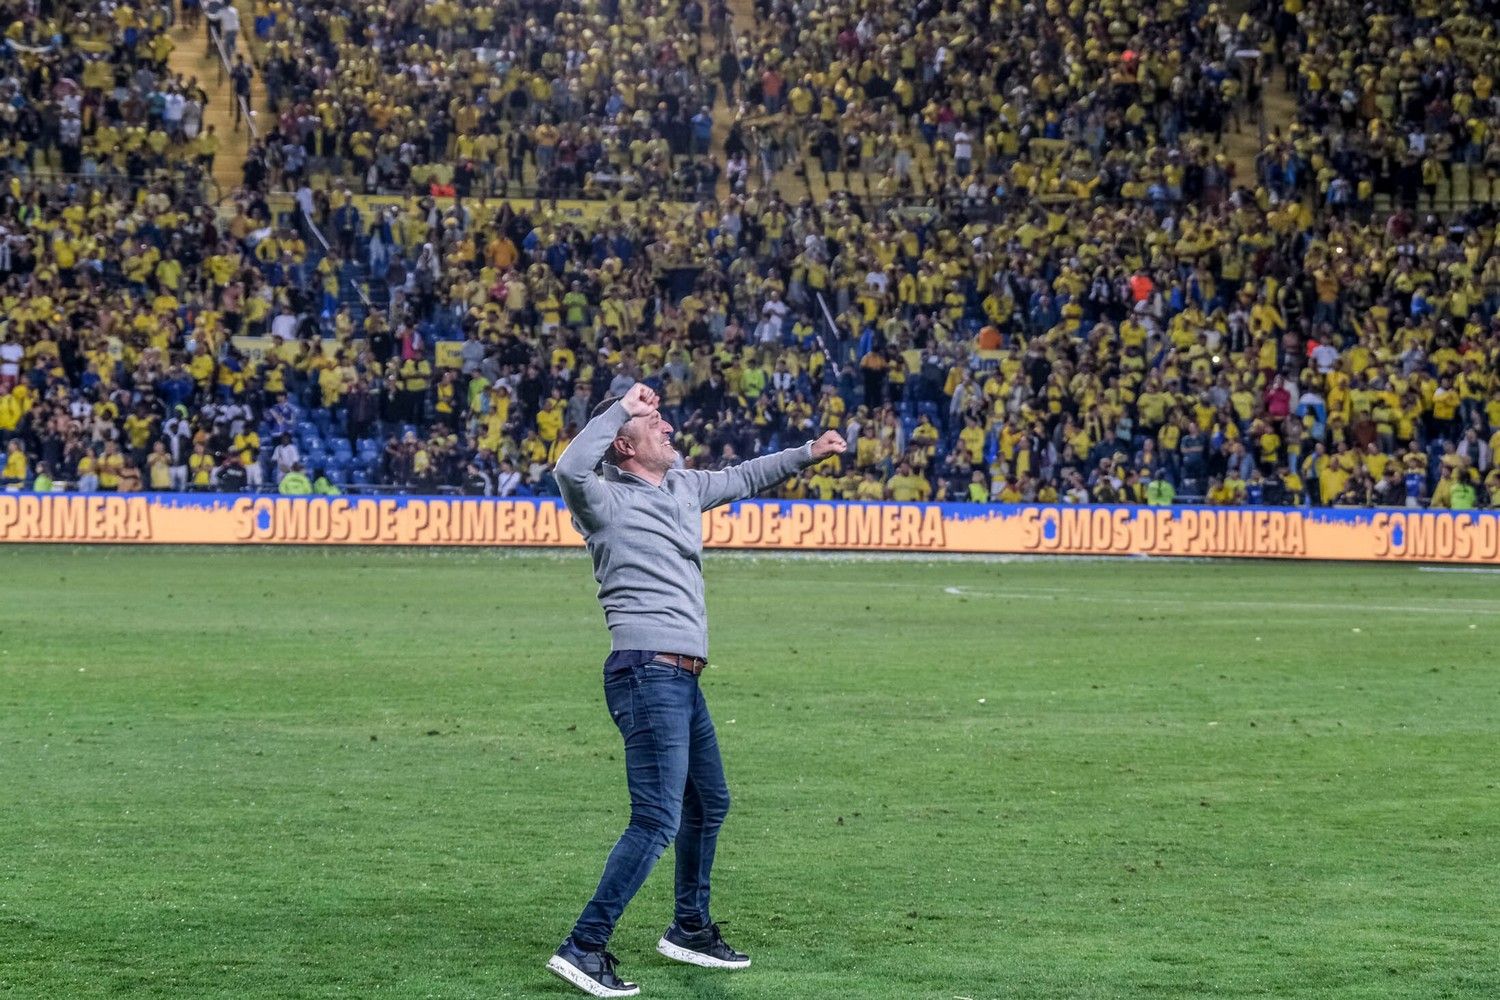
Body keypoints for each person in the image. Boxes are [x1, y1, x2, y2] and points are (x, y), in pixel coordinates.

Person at [548, 382, 846, 998]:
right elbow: (569, 464)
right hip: (645, 672)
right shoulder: (601, 498)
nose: (671, 431)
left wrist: (806, 453)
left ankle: (688, 928)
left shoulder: (685, 487)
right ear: (625, 444)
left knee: (707, 803)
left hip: (680, 676)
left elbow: (743, 476)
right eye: (658, 426)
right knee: (656, 817)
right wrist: (622, 409)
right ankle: (584, 945)